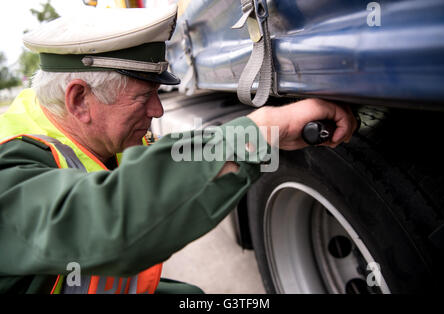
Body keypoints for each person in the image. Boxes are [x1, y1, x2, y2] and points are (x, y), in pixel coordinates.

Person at [0, 5, 357, 294]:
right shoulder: (10, 165)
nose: (157, 110)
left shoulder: (81, 131)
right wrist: (260, 131)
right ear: (79, 100)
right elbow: (103, 220)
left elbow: (167, 160)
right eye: (144, 97)